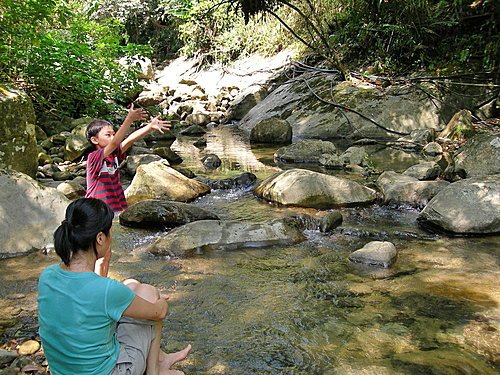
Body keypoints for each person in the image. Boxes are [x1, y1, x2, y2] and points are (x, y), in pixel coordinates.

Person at [38, 198, 191, 375]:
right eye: (110, 232)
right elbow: (159, 313)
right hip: (111, 371)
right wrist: (160, 303)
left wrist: (103, 263)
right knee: (149, 294)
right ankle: (155, 370)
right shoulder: (106, 290)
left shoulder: (47, 276)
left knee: (130, 284)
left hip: (64, 370)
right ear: (100, 238)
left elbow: (90, 299)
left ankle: (161, 359)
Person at [85, 104, 171, 212]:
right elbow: (115, 142)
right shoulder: (94, 157)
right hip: (96, 208)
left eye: (114, 134)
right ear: (94, 140)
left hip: (114, 204)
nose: (113, 137)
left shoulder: (114, 154)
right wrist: (129, 119)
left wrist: (149, 127)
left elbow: (130, 140)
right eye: (108, 135)